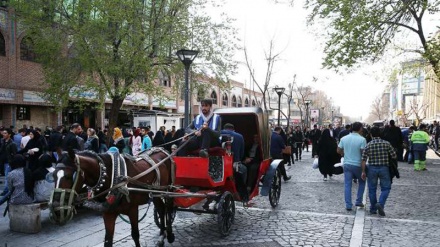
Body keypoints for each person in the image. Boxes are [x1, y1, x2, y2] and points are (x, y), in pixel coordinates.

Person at [361, 126, 396, 216]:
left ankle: (373, 208)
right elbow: (394, 155)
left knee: (372, 189)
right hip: (384, 168)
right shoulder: (386, 143)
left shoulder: (369, 144)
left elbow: (363, 159)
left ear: (371, 134)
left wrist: (363, 171)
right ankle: (380, 204)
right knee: (386, 188)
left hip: (372, 168)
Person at [337, 122, 367, 211]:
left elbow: (338, 150)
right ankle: (358, 200)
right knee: (362, 182)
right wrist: (364, 170)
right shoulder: (362, 140)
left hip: (347, 164)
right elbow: (363, 155)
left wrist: (344, 153)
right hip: (357, 164)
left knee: (347, 184)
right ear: (360, 129)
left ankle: (348, 205)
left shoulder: (344, 138)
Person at [0, 128, 18, 196]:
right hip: (3, 161)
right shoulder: (3, 142)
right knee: (6, 176)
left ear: (9, 134)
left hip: (9, 162)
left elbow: (15, 153)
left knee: (7, 176)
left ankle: (6, 190)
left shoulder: (12, 143)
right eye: (3, 133)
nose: (3, 134)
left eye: (5, 133)